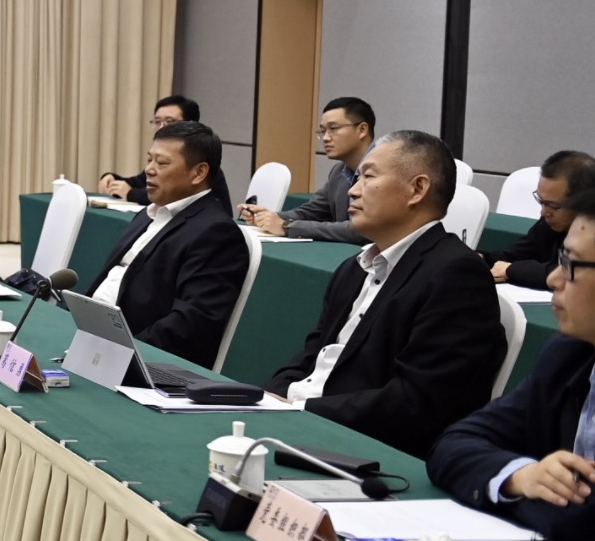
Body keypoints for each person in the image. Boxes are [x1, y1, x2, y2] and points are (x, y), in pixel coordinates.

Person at [264, 131, 505, 458]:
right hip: (304, 421)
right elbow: (313, 352)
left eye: (369, 177)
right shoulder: (354, 267)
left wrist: (300, 409)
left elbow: (417, 402)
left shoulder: (456, 275)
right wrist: (271, 396)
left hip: (365, 449)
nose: (353, 190)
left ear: (417, 189)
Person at [426, 183, 595, 541]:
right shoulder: (569, 355)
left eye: (570, 264)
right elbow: (453, 444)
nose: (553, 278)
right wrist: (521, 477)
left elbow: (582, 524)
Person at [87, 120, 250, 368]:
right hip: (95, 340)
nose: (149, 170)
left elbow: (191, 323)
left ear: (199, 173)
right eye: (149, 160)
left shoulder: (216, 233)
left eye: (162, 163)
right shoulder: (147, 214)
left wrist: (125, 355)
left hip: (140, 361)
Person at [240, 97, 374, 244]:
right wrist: (268, 217)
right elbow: (311, 212)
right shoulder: (339, 171)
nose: (325, 138)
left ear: (362, 130)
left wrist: (287, 226)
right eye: (322, 131)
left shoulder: (384, 170)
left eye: (333, 129)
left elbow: (365, 228)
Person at [485, 151, 595, 288]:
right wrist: (480, 260)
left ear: (584, 203)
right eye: (541, 201)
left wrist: (511, 270)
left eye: (553, 206)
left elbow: (571, 274)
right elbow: (514, 255)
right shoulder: (550, 223)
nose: (544, 212)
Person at [99, 95, 197, 205]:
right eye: (157, 122)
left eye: (170, 122)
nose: (161, 128)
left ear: (190, 125)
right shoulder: (159, 154)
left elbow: (176, 193)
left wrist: (131, 194)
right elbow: (139, 182)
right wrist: (112, 179)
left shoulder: (199, 156)